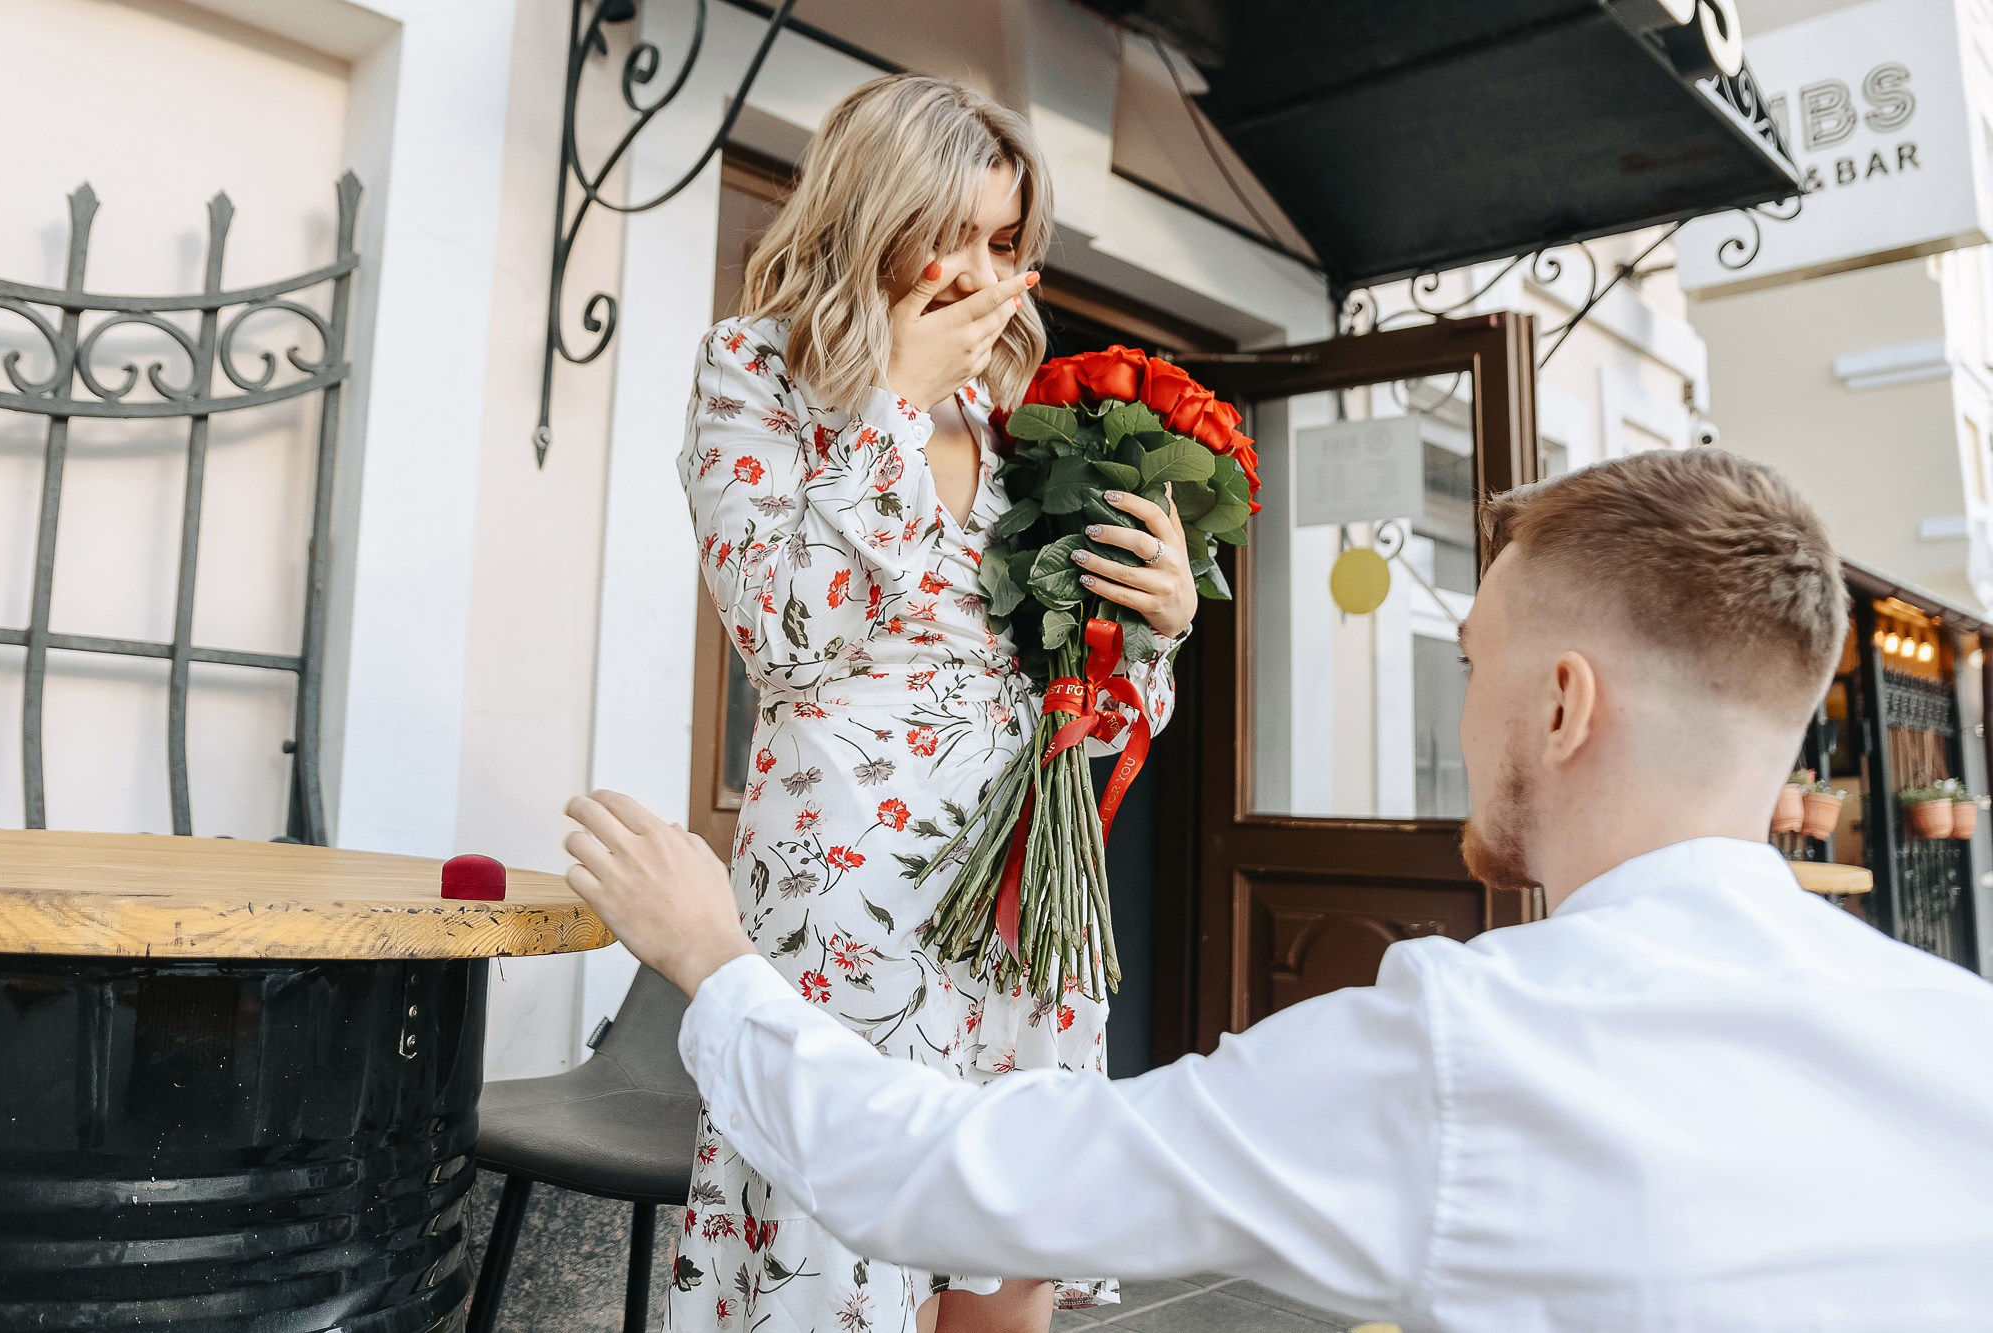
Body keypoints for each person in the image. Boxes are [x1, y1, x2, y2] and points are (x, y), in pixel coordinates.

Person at [570, 446, 1993, 1330]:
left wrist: (714, 957)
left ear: (1563, 705)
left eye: (1471, 661)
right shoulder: (1958, 1037)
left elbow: (945, 1178)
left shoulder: (1470, 1051)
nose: (1461, 708)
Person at [667, 73, 1198, 1333]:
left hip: (1023, 886)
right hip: (852, 881)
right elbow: (787, 639)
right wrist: (890, 406)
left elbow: (1081, 711)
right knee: (843, 1258)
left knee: (1009, 1257)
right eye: (951, 234)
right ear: (873, 213)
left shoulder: (1014, 415)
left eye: (1004, 242)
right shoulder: (755, 372)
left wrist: (1155, 628)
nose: (981, 273)